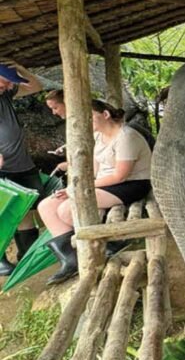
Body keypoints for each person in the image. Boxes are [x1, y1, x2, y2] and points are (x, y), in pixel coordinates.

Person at [37, 99, 152, 284]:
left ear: (105, 114)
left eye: (89, 116)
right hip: (103, 183)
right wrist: (72, 188)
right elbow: (94, 170)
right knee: (46, 206)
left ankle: (109, 244)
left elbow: (120, 175)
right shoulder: (99, 136)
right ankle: (71, 259)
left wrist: (81, 189)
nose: (85, 121)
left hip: (131, 184)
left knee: (67, 210)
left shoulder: (127, 137)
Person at [0, 61, 44, 276]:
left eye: (11, 82)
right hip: (3, 167)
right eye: (6, 81)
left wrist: (21, 68)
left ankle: (28, 255)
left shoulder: (5, 96)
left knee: (27, 208)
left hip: (22, 164)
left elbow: (35, 87)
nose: (9, 86)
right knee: (3, 212)